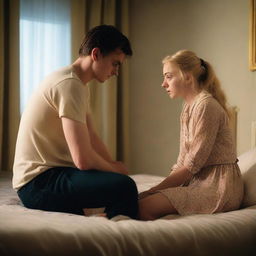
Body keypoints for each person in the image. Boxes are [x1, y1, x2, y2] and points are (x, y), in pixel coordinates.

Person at [13, 25, 138, 219]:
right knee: (126, 187)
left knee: (118, 182)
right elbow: (83, 159)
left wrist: (113, 168)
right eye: (115, 63)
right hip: (38, 184)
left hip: (49, 177)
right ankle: (120, 230)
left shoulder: (76, 83)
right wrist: (117, 172)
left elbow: (92, 137)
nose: (116, 72)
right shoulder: (69, 85)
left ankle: (105, 215)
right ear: (96, 54)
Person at [138, 50, 244, 221]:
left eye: (168, 76)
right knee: (142, 201)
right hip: (199, 182)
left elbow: (192, 164)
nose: (163, 84)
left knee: (145, 206)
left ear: (187, 77)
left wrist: (154, 190)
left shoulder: (206, 106)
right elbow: (182, 160)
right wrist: (162, 189)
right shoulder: (188, 107)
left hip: (219, 187)